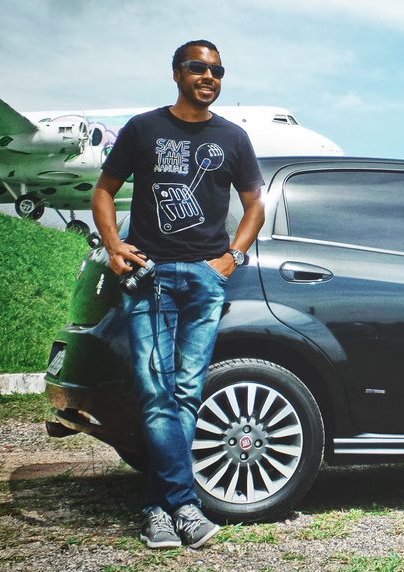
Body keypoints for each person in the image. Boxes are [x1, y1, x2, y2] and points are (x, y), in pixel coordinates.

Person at [92, 39, 265, 549]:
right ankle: (182, 507)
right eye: (198, 67)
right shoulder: (144, 128)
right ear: (176, 73)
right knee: (156, 393)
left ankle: (159, 509)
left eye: (217, 71)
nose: (209, 77)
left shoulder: (233, 138)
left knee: (186, 392)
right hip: (151, 277)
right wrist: (113, 245)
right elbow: (103, 190)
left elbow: (255, 204)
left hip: (205, 281)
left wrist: (231, 258)